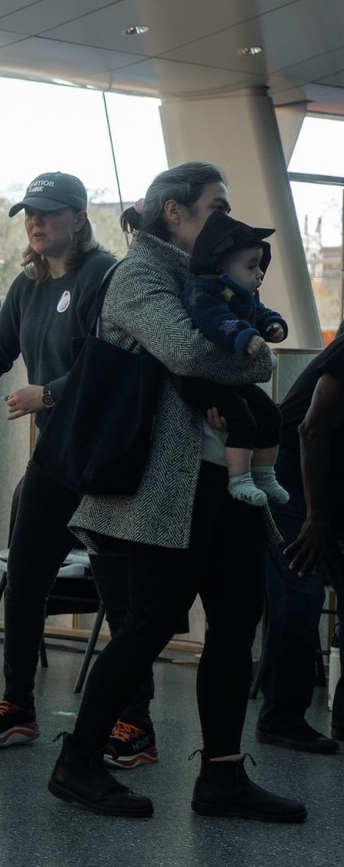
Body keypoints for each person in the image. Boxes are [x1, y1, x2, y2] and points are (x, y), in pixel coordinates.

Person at [49, 162, 306, 822]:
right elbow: (193, 354)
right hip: (168, 486)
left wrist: (244, 361)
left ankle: (221, 776)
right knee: (151, 625)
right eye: (216, 204)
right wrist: (259, 360)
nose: (225, 215)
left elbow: (211, 352)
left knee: (235, 622)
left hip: (225, 478)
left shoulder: (206, 278)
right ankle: (77, 763)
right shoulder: (140, 276)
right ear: (175, 212)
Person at [0, 172, 156, 766]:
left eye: (49, 213)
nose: (37, 222)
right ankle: (17, 707)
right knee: (25, 579)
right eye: (30, 213)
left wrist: (47, 393)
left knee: (119, 596)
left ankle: (136, 722)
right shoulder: (28, 285)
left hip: (106, 460)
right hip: (57, 459)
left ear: (79, 218)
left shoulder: (106, 276)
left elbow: (119, 360)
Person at [255, 326, 344, 753]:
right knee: (302, 589)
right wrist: (316, 518)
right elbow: (311, 431)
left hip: (326, 485)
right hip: (287, 478)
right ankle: (281, 720)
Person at [177, 210, 289, 506]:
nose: (260, 273)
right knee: (243, 421)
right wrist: (245, 336)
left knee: (271, 415)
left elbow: (261, 313)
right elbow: (216, 321)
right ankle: (239, 480)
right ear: (221, 264)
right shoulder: (201, 290)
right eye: (252, 266)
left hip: (230, 378)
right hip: (203, 381)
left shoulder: (243, 293)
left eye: (260, 266)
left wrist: (272, 325)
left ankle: (265, 474)